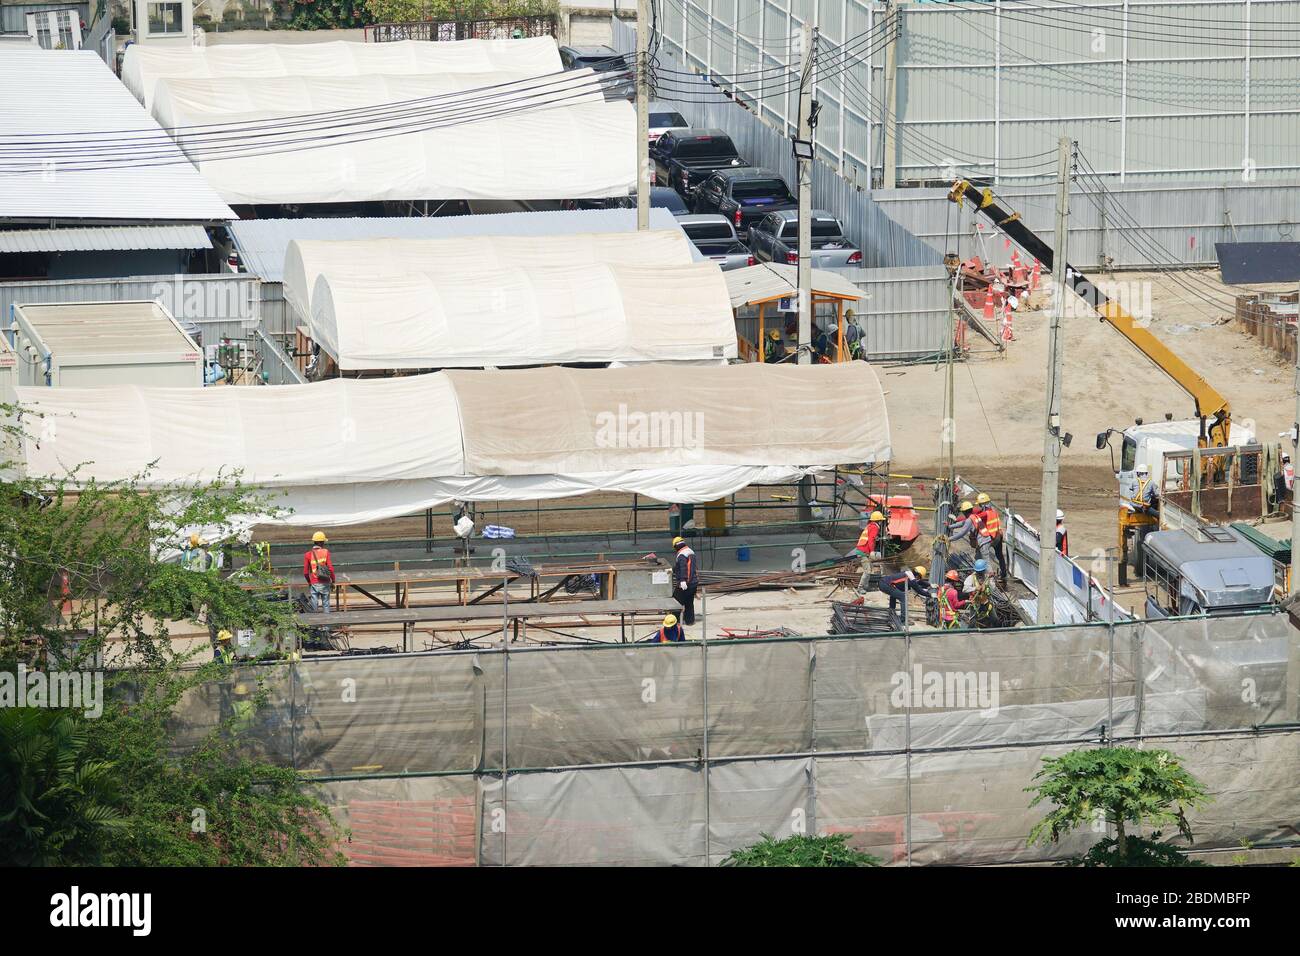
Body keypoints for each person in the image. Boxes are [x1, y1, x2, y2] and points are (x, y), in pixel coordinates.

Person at [847, 510, 887, 592]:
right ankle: (860, 587)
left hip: (863, 549)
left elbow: (871, 538)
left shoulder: (869, 526)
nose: (881, 522)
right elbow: (871, 540)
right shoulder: (874, 527)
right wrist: (872, 551)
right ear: (878, 520)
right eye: (880, 521)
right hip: (864, 551)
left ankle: (865, 586)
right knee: (867, 571)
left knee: (870, 568)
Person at [973, 492, 1008, 582]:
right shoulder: (993, 511)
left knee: (984, 557)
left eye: (980, 505)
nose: (979, 506)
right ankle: (1003, 574)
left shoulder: (985, 514)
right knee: (1000, 556)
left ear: (983, 504)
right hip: (998, 536)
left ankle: (988, 577)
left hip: (990, 538)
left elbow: (974, 518)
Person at [303, 531, 335, 613]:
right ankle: (327, 625)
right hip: (325, 582)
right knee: (326, 603)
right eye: (323, 541)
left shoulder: (308, 554)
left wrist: (310, 582)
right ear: (321, 542)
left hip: (314, 582)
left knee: (314, 604)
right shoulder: (326, 552)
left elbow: (306, 572)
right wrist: (333, 580)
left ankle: (315, 624)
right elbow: (330, 568)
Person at [671, 536, 698, 626]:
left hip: (686, 583)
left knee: (676, 601)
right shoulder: (690, 552)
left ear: (676, 546)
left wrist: (683, 580)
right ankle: (690, 621)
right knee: (689, 602)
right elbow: (682, 566)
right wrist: (672, 570)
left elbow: (684, 567)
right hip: (693, 583)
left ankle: (674, 621)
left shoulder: (682, 554)